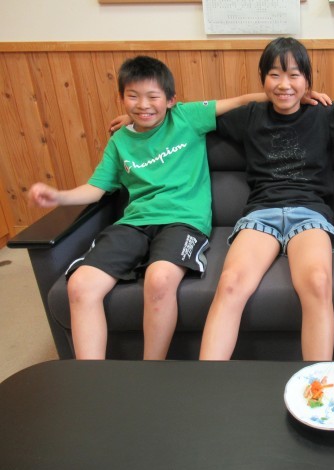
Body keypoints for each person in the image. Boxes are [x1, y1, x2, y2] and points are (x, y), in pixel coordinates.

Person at [28, 55, 280, 360]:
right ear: (121, 98)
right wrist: (58, 196)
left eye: (153, 97)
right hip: (134, 223)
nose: (143, 105)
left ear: (171, 100)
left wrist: (290, 94)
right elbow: (96, 189)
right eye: (133, 96)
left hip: (184, 221)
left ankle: (151, 368)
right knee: (80, 285)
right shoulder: (120, 141)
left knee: (159, 279)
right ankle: (90, 377)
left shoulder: (187, 117)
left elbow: (241, 101)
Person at [198, 37, 334, 361]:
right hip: (261, 213)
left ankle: (317, 383)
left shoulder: (325, 115)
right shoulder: (249, 115)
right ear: (263, 79)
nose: (284, 84)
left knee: (318, 282)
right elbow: (186, 118)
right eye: (275, 75)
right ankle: (206, 380)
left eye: (294, 75)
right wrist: (140, 118)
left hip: (310, 213)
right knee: (229, 283)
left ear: (308, 81)